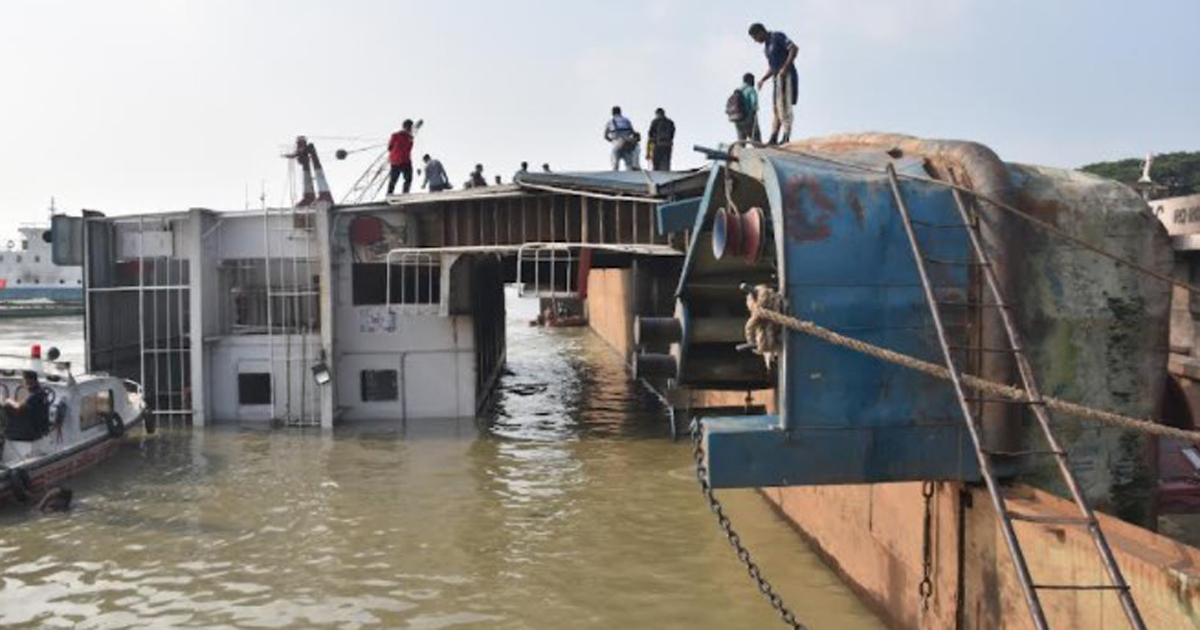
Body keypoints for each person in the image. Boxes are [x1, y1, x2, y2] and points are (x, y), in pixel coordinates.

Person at [749, 23, 798, 145]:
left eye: (755, 38)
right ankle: (774, 137)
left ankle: (786, 136)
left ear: (761, 32)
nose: (755, 41)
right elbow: (772, 67)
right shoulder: (766, 48)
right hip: (776, 79)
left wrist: (785, 68)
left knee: (785, 106)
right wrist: (763, 80)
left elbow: (794, 49)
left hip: (787, 76)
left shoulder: (777, 37)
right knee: (776, 108)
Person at [2, 371, 51, 442]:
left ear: (30, 381)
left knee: (6, 407)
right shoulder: (41, 393)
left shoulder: (36, 395)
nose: (25, 385)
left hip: (33, 431)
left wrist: (9, 400)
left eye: (25, 382)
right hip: (39, 428)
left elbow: (20, 407)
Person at [387, 119, 419, 195]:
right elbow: (409, 149)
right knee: (407, 179)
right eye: (410, 127)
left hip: (397, 160)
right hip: (404, 161)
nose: (410, 129)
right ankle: (404, 194)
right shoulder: (408, 137)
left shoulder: (396, 135)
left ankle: (390, 193)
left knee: (394, 179)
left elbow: (389, 148)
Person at [604, 106, 640, 171]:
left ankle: (615, 175)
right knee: (629, 164)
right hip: (626, 144)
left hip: (616, 143)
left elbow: (605, 136)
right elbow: (633, 133)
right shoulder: (626, 120)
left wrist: (612, 140)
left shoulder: (610, 122)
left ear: (612, 113)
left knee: (615, 164)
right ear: (620, 112)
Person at [732, 73, 762, 142]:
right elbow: (754, 104)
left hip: (737, 119)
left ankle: (740, 150)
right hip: (748, 119)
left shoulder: (737, 90)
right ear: (749, 80)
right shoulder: (751, 90)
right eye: (753, 80)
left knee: (741, 141)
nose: (754, 82)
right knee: (757, 142)